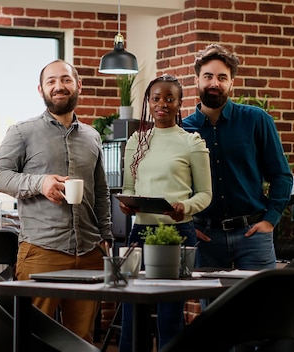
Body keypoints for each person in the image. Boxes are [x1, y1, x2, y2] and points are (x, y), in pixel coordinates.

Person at [0, 59, 113, 342]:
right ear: (41, 89)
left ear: (78, 85)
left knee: (80, 340)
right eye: (52, 81)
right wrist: (40, 182)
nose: (59, 86)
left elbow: (101, 192)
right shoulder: (22, 132)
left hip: (89, 253)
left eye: (66, 80)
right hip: (41, 253)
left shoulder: (93, 136)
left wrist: (105, 238)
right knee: (34, 338)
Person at [117, 74, 212, 351]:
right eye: (156, 98)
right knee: (131, 312)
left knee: (170, 314)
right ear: (148, 101)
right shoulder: (137, 140)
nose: (162, 104)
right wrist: (128, 203)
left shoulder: (192, 142)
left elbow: (205, 194)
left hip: (177, 233)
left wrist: (186, 208)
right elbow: (129, 186)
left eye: (169, 99)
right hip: (140, 231)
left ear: (180, 103)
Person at [183, 43, 293, 271]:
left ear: (231, 82)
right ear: (197, 80)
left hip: (252, 234)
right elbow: (174, 187)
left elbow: (281, 175)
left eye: (222, 77)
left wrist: (270, 220)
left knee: (260, 305)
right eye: (208, 76)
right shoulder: (182, 129)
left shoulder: (257, 120)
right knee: (213, 306)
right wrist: (189, 227)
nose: (215, 83)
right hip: (206, 238)